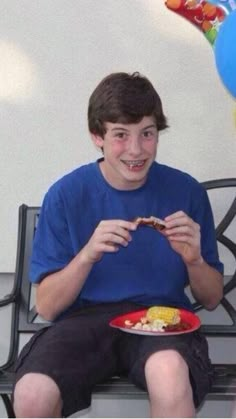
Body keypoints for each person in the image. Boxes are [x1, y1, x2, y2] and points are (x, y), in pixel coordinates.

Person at [13, 72, 223, 418]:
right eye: (121, 135)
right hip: (83, 322)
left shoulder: (185, 192)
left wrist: (195, 260)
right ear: (97, 136)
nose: (136, 150)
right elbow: (48, 308)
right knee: (32, 394)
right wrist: (87, 255)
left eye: (148, 134)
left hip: (162, 321)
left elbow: (211, 297)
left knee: (169, 375)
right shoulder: (66, 195)